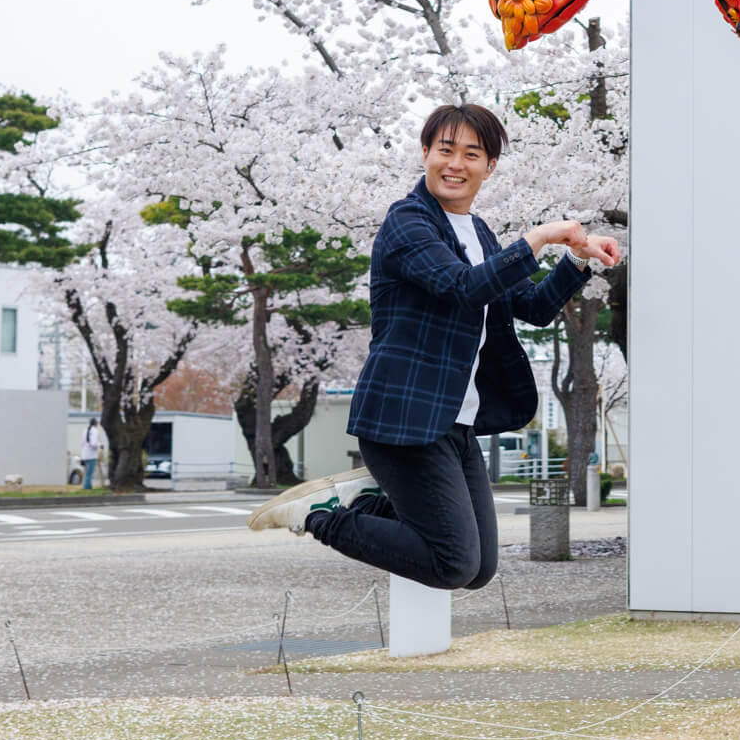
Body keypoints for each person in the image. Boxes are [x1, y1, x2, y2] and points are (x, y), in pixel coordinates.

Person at [250, 102, 620, 592]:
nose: (456, 164)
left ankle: (366, 506)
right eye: (445, 150)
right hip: (403, 420)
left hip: (456, 424)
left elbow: (528, 307)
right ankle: (323, 515)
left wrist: (575, 262)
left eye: (472, 154)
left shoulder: (480, 232)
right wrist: (537, 238)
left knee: (479, 568)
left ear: (489, 167)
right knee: (451, 563)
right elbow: (463, 287)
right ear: (425, 153)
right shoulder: (407, 221)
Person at [79, 419, 106, 491]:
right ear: (95, 424)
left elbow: (82, 443)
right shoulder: (94, 431)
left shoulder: (85, 430)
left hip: (85, 455)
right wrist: (100, 445)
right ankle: (87, 488)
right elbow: (93, 443)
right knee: (89, 473)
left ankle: (87, 487)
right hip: (92, 455)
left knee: (87, 473)